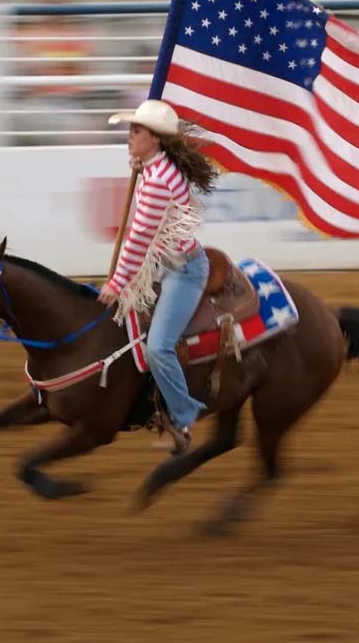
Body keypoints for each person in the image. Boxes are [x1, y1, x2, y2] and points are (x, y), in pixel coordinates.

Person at [98, 100, 219, 454]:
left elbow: (137, 240)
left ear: (155, 139)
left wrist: (117, 283)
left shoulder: (157, 182)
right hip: (164, 264)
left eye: (136, 131)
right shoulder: (155, 168)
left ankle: (183, 416)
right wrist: (137, 164)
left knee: (159, 348)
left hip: (182, 271)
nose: (129, 137)